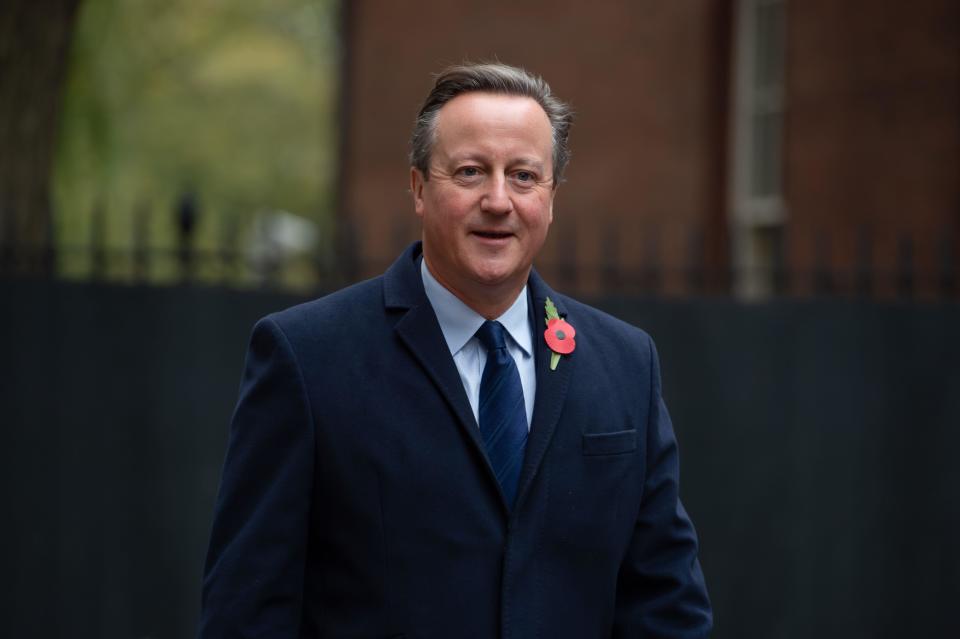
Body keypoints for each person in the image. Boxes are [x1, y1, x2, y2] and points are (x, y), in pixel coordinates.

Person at [200, 62, 712, 638]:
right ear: (419, 188)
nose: (499, 199)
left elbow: (665, 605)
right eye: (470, 172)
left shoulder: (625, 364)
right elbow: (247, 611)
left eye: (523, 176)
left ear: (551, 197)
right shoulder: (305, 356)